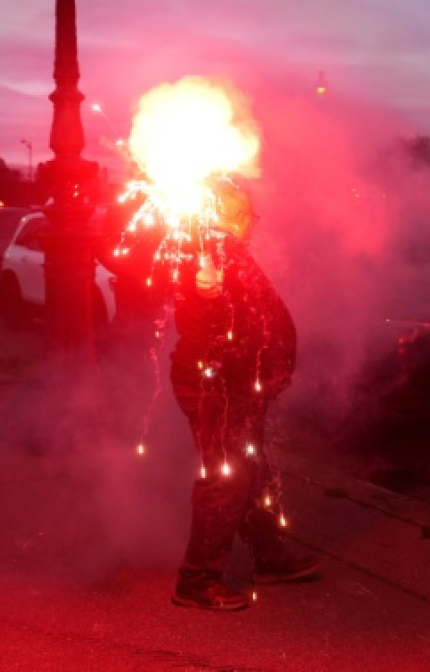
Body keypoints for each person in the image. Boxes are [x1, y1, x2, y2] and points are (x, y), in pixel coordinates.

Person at [168, 181, 319, 611]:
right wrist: (205, 290)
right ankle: (196, 580)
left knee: (254, 472)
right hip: (218, 388)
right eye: (250, 214)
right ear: (232, 216)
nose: (254, 222)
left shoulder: (225, 249)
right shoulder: (209, 253)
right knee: (226, 479)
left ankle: (267, 556)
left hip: (236, 388)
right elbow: (204, 295)